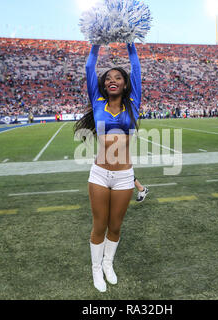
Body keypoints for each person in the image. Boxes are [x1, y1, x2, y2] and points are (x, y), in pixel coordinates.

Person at [74, 43, 141, 292]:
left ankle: (108, 264)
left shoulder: (133, 104)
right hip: (100, 173)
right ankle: (95, 271)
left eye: (118, 77)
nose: (113, 80)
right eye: (109, 78)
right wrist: (96, 42)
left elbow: (136, 68)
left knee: (115, 226)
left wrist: (130, 43)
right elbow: (90, 66)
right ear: (103, 85)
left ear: (125, 84)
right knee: (99, 225)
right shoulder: (98, 100)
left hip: (124, 176)